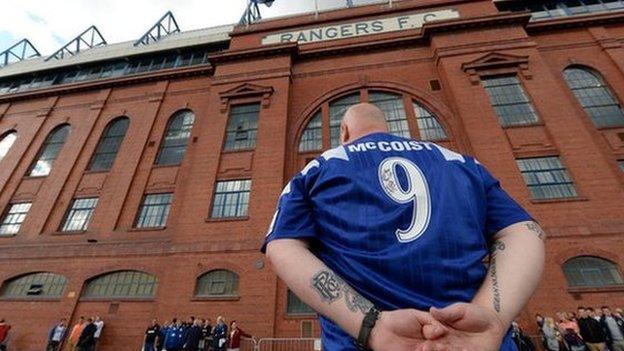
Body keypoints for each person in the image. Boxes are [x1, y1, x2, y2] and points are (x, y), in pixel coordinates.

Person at [263, 103, 546, 350]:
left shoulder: (318, 168)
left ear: (345, 132)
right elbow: (524, 230)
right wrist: (491, 315)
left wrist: (372, 325)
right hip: (472, 342)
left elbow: (283, 245)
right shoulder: (461, 163)